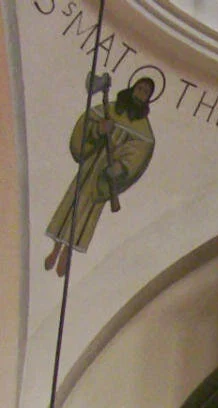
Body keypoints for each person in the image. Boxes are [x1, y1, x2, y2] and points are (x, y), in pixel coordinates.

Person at [44, 77, 156, 276]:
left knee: (88, 212)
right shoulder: (110, 109)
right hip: (90, 166)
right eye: (139, 88)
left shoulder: (143, 129)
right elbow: (86, 124)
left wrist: (120, 167)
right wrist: (98, 130)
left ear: (148, 99)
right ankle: (55, 249)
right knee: (71, 202)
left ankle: (67, 254)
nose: (141, 92)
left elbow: (138, 152)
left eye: (146, 92)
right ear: (132, 88)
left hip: (102, 179)